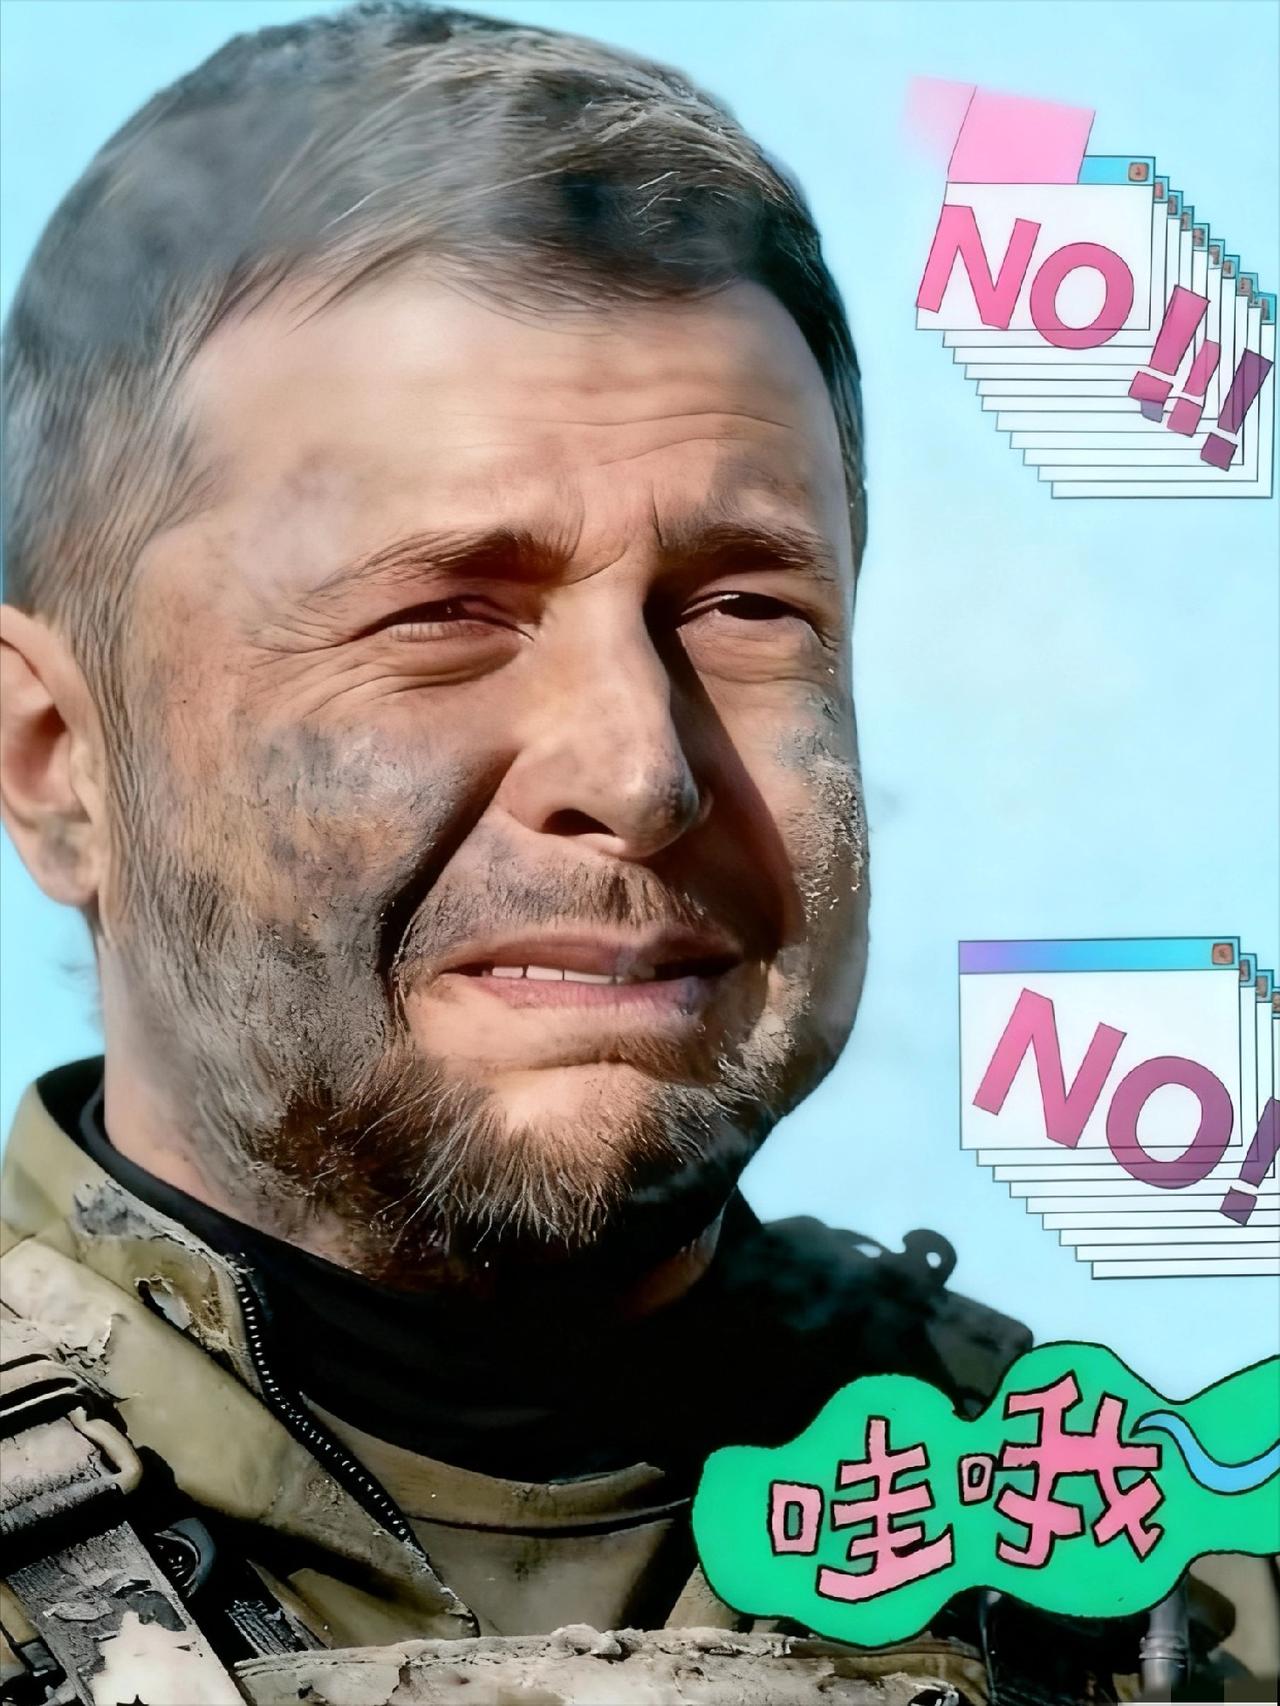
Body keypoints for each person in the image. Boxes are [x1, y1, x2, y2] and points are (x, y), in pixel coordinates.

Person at [0, 4, 1268, 1701]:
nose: (641, 768)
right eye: (445, 611)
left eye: (744, 606)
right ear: (58, 761)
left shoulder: (1171, 1595)